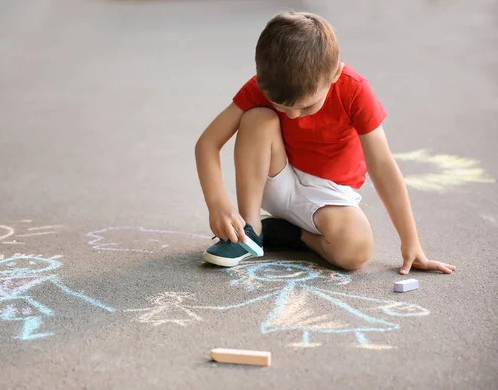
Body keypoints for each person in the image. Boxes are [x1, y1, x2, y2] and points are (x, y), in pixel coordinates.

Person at [194, 11, 456, 275]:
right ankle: (250, 231)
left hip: (329, 194)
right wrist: (218, 206)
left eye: (306, 107)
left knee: (356, 250)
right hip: (276, 176)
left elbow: (383, 166)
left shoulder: (354, 90)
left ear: (334, 74)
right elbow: (207, 143)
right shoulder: (267, 83)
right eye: (281, 106)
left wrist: (411, 242)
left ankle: (289, 234)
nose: (293, 116)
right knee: (257, 119)